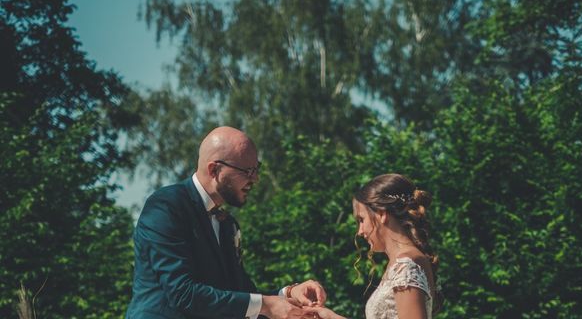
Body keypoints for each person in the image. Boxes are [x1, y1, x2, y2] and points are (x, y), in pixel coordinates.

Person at [126, 126, 325, 318]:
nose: (255, 179)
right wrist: (267, 305)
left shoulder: (228, 224)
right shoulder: (166, 207)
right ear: (214, 170)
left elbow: (241, 295)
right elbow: (183, 294)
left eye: (257, 169)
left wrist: (288, 295)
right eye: (247, 171)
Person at [305, 174, 441, 319]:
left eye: (361, 220)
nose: (360, 231)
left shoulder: (407, 265)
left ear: (381, 214)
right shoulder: (405, 261)